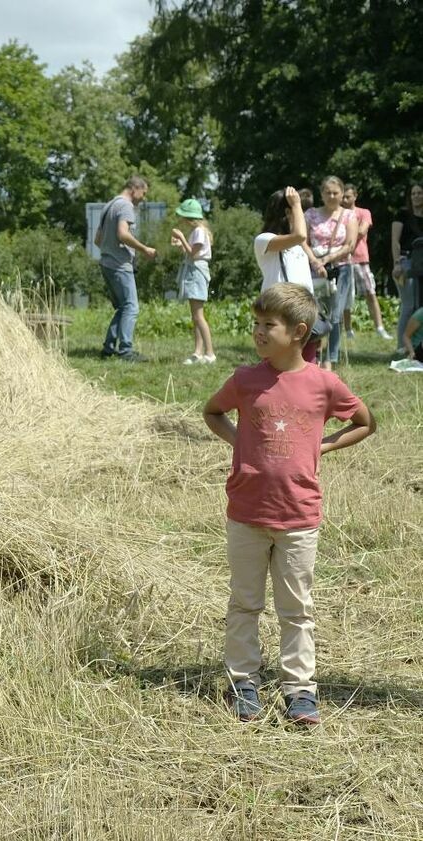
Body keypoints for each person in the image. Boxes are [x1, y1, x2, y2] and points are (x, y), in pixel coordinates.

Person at [203, 283, 375, 726]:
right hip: (246, 514)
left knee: (297, 609)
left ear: (298, 332)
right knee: (244, 602)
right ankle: (243, 683)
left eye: (268, 326)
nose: (258, 332)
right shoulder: (245, 380)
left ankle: (300, 691)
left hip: (299, 517)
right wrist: (239, 440)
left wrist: (325, 445)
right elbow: (212, 412)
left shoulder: (323, 384)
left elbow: (363, 421)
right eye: (256, 324)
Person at [252, 187, 321, 363]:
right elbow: (299, 235)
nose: (302, 216)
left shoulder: (298, 247)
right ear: (287, 213)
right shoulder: (264, 240)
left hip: (301, 313)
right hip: (277, 318)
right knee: (275, 371)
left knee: (307, 369)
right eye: (298, 212)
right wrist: (297, 204)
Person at [94, 174, 157, 362]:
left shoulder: (109, 205)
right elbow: (123, 233)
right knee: (131, 307)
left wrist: (111, 250)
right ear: (134, 189)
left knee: (122, 307)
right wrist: (144, 249)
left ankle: (108, 348)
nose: (143, 198)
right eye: (143, 193)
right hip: (120, 265)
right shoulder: (126, 206)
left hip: (106, 263)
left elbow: (97, 240)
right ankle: (126, 351)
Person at [301, 176, 360, 369]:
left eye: (336, 192)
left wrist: (326, 260)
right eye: (328, 192)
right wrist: (315, 261)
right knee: (314, 313)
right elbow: (303, 241)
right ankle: (312, 354)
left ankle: (330, 358)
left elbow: (350, 244)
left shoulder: (349, 216)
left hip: (340, 269)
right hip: (313, 269)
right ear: (321, 194)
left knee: (335, 315)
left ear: (342, 194)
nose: (332, 196)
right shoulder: (311, 214)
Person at [340, 184, 392, 340]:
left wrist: (346, 233)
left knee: (370, 293)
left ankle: (380, 328)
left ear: (355, 196)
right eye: (343, 196)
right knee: (346, 297)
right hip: (343, 259)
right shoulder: (338, 214)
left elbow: (362, 231)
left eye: (348, 196)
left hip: (360, 258)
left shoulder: (363, 212)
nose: (345, 199)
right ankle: (348, 331)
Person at [171, 198, 215, 364]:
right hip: (194, 271)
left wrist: (181, 237)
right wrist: (181, 243)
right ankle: (198, 352)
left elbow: (194, 254)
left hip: (196, 273)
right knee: (195, 316)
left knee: (198, 315)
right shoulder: (198, 231)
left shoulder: (198, 231)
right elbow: (191, 251)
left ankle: (209, 353)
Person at [391, 181, 423, 355]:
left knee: (420, 307)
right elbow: (395, 240)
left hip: (421, 265)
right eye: (413, 193)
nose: (416, 196)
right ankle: (400, 347)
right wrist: (397, 263)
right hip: (405, 262)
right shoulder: (402, 214)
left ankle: (416, 346)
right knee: (409, 305)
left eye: (419, 193)